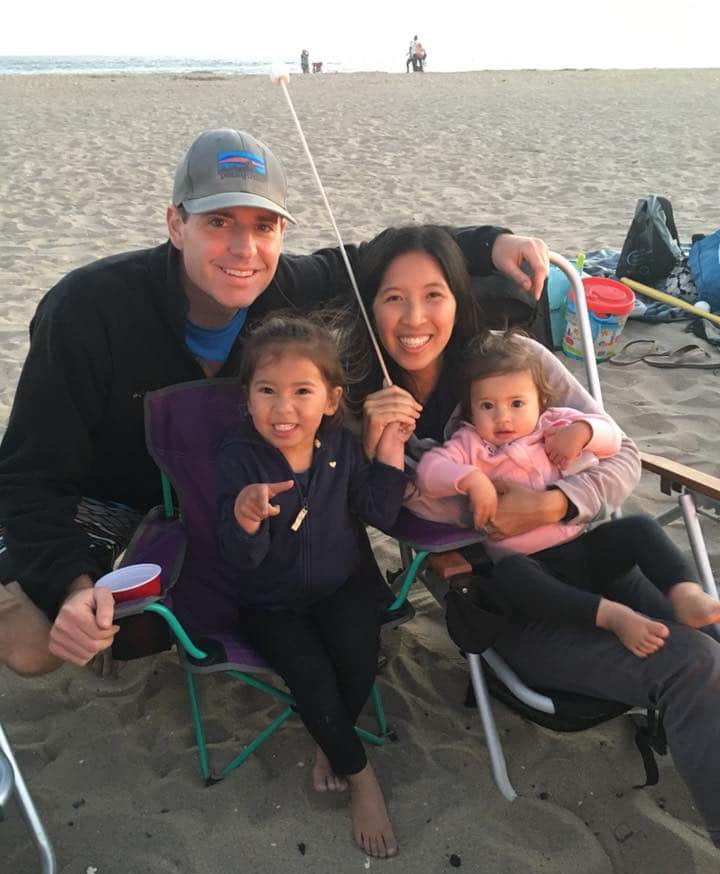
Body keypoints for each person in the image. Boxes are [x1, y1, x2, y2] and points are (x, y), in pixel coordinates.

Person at [0, 125, 550, 680]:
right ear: (175, 223)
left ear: (281, 232)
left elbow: (380, 257)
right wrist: (73, 586)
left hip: (219, 498)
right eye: (218, 222)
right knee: (36, 649)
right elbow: (30, 474)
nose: (244, 250)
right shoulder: (87, 309)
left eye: (264, 226)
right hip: (105, 497)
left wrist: (490, 243)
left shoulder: (288, 286)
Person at [351, 223, 720, 847]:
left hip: (591, 556)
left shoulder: (518, 363)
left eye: (434, 294)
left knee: (709, 640)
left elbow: (621, 452)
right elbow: (392, 514)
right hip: (513, 598)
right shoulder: (369, 402)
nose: (415, 316)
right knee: (693, 664)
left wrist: (555, 502)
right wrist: (380, 454)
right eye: (393, 297)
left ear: (459, 297)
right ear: (371, 306)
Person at [216, 313, 406, 858]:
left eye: (302, 391)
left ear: (329, 399)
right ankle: (362, 777)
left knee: (358, 654)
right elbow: (237, 555)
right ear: (247, 397)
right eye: (267, 391)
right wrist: (246, 517)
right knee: (311, 675)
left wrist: (388, 451)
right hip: (270, 602)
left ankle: (332, 745)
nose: (284, 408)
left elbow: (376, 510)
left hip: (343, 584)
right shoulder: (238, 457)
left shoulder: (341, 445)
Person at [409, 329, 720, 657]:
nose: (503, 417)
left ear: (540, 402)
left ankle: (685, 592)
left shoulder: (553, 424)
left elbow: (613, 439)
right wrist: (470, 479)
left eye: (517, 403)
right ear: (471, 410)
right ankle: (612, 616)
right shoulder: (470, 443)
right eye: (487, 405)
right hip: (532, 567)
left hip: (582, 546)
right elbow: (430, 472)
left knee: (638, 527)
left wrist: (582, 432)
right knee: (510, 576)